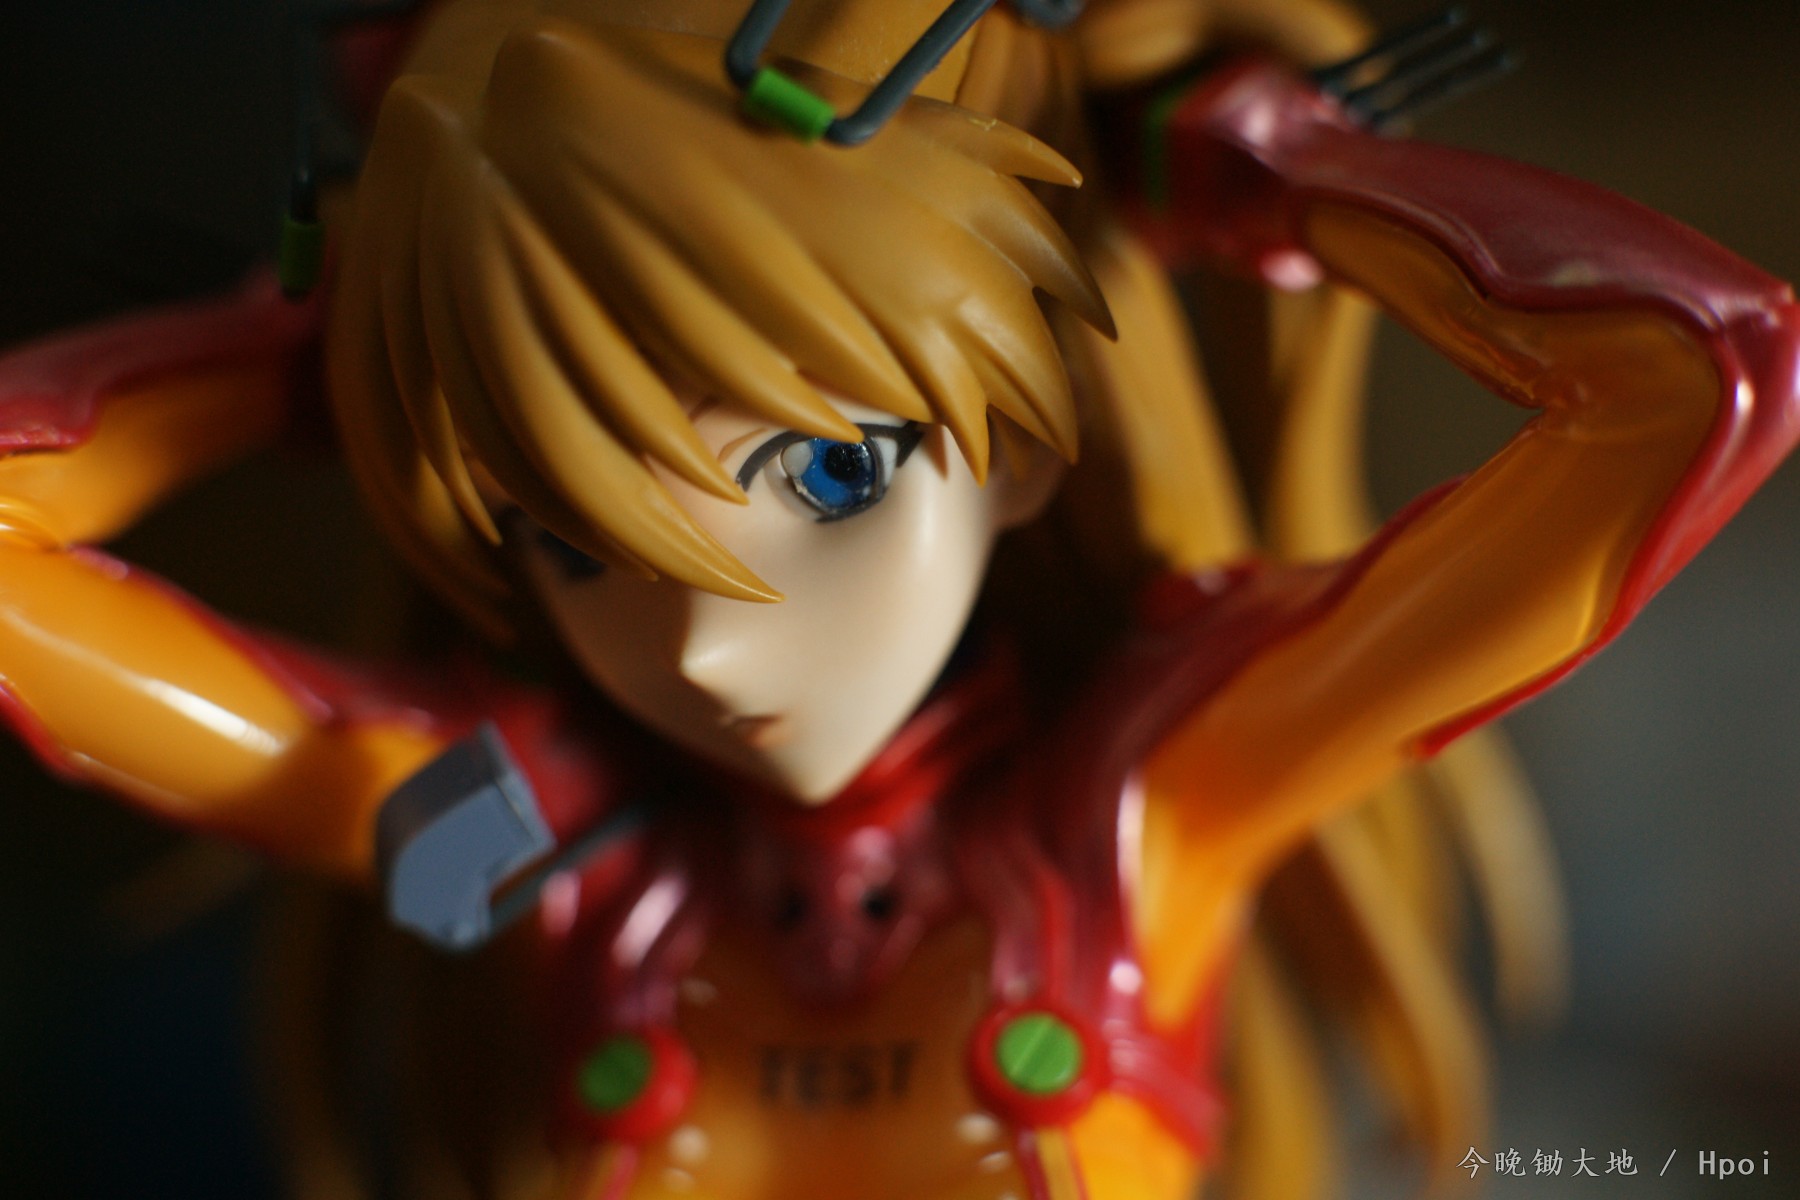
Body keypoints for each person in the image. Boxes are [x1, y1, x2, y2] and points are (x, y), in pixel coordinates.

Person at [0, 1, 1794, 1197]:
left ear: (1026, 433)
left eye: (833, 479)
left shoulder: (1146, 812)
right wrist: (337, 345)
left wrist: (1286, 183)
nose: (710, 642)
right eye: (574, 536)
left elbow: (1693, 379)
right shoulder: (543, 847)